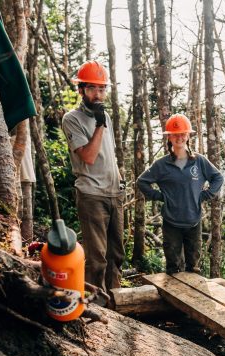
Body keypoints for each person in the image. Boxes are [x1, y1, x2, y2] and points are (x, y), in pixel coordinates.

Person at [61, 61, 124, 298]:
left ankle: (117, 304)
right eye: (92, 89)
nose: (98, 95)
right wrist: (98, 124)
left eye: (102, 89)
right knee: (97, 258)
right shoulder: (72, 119)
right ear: (81, 90)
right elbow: (88, 156)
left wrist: (119, 180)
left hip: (113, 192)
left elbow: (109, 155)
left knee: (116, 255)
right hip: (91, 194)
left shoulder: (105, 115)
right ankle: (95, 304)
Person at [137, 114, 224, 274]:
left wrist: (206, 195)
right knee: (173, 268)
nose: (179, 137)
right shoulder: (161, 164)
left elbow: (218, 177)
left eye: (183, 134)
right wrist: (160, 196)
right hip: (171, 224)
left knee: (194, 268)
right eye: (175, 134)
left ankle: (193, 298)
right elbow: (142, 181)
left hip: (193, 222)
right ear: (169, 137)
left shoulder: (199, 161)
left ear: (188, 136)